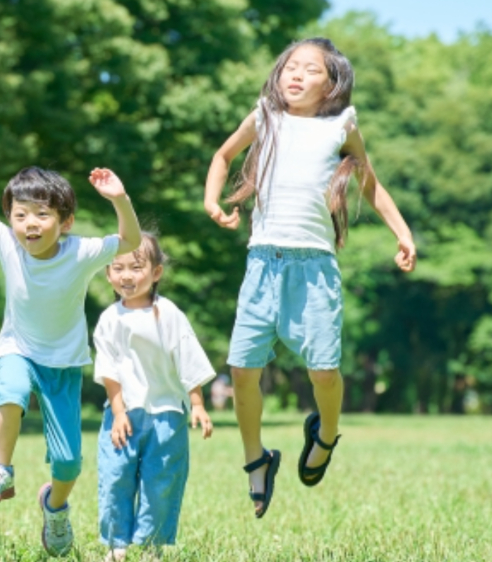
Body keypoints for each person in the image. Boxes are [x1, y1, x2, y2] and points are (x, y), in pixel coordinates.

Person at [203, 38, 417, 518]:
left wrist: (403, 234)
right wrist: (212, 202)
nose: (295, 76)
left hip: (315, 268)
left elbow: (370, 183)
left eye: (309, 70)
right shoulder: (265, 117)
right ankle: (255, 459)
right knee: (241, 369)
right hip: (262, 262)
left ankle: (324, 434)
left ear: (332, 83)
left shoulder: (341, 125)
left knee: (323, 370)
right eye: (289, 68)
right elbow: (222, 157)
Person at [0, 123, 142, 557]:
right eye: (20, 215)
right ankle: (0, 468)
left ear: (65, 221)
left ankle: (54, 507)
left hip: (63, 363)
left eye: (41, 215)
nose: (29, 225)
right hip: (17, 348)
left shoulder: (81, 252)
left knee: (68, 463)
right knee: (11, 391)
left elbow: (131, 240)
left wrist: (119, 198)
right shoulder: (8, 244)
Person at [94, 232, 215, 562]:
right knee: (115, 477)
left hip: (166, 414)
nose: (126, 276)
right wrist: (118, 412)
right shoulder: (109, 319)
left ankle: (150, 545)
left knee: (161, 482)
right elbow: (109, 370)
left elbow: (187, 357)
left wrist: (198, 403)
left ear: (156, 272)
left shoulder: (169, 314)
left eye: (136, 267)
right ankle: (117, 543)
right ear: (107, 274)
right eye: (117, 268)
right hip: (122, 414)